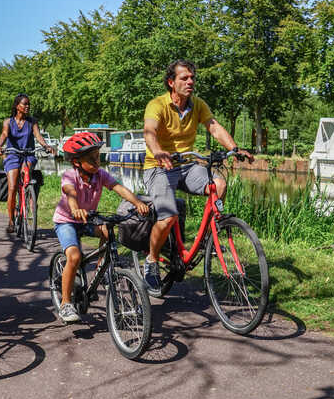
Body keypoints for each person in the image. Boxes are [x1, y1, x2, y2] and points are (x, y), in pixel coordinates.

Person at [142, 59, 254, 294]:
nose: (190, 81)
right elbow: (149, 131)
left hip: (187, 165)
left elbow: (214, 126)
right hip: (159, 166)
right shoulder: (157, 105)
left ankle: (207, 238)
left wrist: (234, 148)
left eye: (192, 77)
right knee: (168, 216)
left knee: (219, 184)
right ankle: (151, 261)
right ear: (171, 82)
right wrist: (158, 151)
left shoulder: (198, 105)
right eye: (184, 78)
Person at [53, 132, 149, 323]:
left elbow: (118, 188)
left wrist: (137, 202)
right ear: (77, 162)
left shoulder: (99, 175)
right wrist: (75, 208)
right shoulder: (70, 176)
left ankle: (101, 272)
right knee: (74, 256)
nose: (97, 162)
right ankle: (65, 304)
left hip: (88, 219)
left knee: (108, 230)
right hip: (67, 221)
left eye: (98, 157)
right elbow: (70, 192)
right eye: (91, 159)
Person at [0, 93, 56, 233]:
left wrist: (46, 146)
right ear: (17, 106)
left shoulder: (32, 122)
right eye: (25, 104)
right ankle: (10, 220)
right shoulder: (8, 122)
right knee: (12, 186)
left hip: (28, 155)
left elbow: (38, 135)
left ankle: (28, 195)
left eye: (29, 104)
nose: (27, 106)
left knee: (25, 171)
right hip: (12, 155)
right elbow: (4, 134)